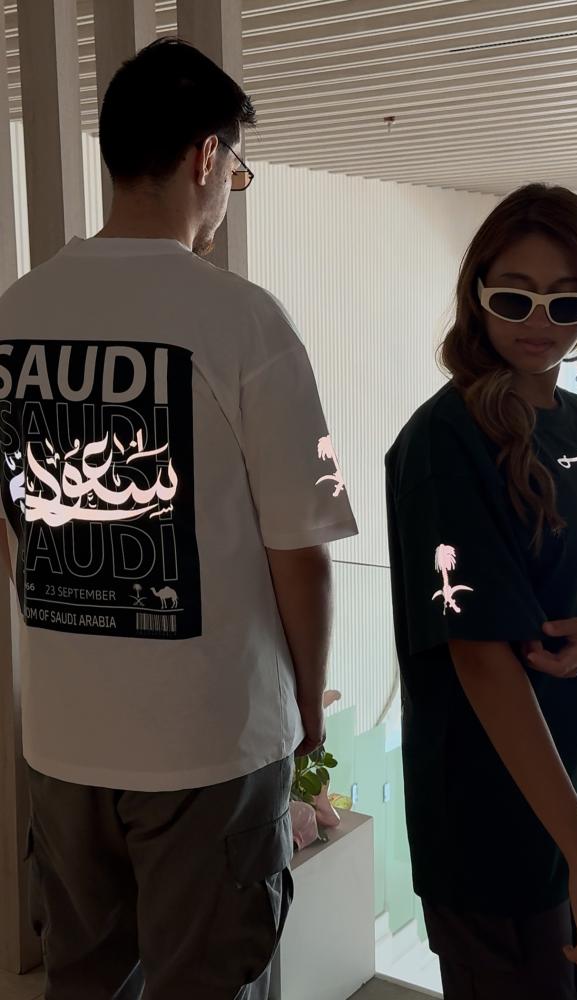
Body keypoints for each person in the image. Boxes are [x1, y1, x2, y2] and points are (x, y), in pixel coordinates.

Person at [0, 39, 357, 1000]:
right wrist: (307, 704)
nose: (230, 187)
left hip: (64, 740)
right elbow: (301, 549)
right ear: (207, 156)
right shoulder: (243, 320)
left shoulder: (13, 314)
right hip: (211, 741)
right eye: (237, 169)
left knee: (84, 981)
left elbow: (15, 525)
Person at [385, 184, 577, 1000]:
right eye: (516, 297)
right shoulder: (445, 441)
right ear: (478, 294)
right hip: (500, 836)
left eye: (568, 302)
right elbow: (483, 660)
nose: (540, 321)